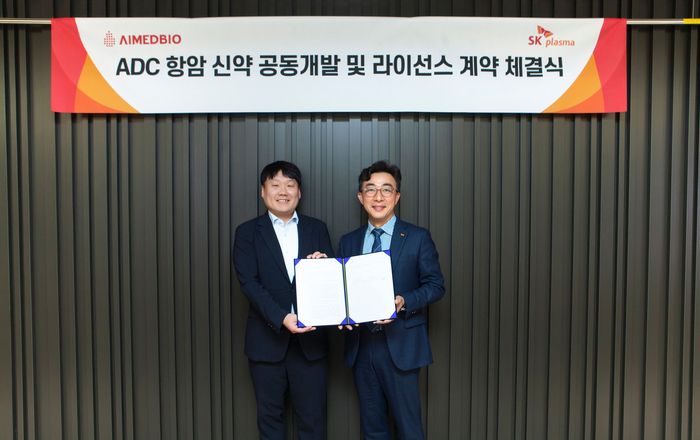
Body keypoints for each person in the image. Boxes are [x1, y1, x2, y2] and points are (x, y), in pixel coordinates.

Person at [339, 160, 445, 440]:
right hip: (361, 346)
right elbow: (342, 289)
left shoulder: (417, 237)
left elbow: (436, 286)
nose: (378, 197)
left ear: (396, 197)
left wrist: (403, 301)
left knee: (409, 429)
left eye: (386, 190)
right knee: (373, 429)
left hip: (401, 345)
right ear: (361, 196)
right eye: (370, 190)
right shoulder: (348, 241)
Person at [233, 161, 334, 440]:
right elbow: (249, 284)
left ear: (299, 192)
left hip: (311, 344)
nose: (283, 191)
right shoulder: (247, 232)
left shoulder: (317, 228)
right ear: (263, 191)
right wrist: (282, 317)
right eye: (275, 185)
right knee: (269, 422)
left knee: (313, 422)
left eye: (290, 185)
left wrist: (324, 265)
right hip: (266, 343)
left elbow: (331, 281)